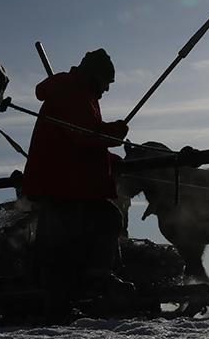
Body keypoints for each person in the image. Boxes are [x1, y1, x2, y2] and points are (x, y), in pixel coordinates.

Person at [20, 48, 130, 323]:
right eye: (107, 82)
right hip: (62, 184)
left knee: (62, 245)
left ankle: (69, 297)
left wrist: (109, 156)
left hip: (63, 181)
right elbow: (84, 136)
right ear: (96, 76)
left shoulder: (78, 91)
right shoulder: (73, 91)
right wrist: (114, 133)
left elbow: (79, 139)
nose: (106, 89)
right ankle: (93, 281)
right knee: (105, 219)